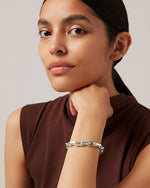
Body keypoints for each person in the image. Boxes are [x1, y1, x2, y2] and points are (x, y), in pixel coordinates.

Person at [5, 0, 150, 187]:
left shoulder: (145, 135)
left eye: (77, 30)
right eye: (46, 33)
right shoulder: (22, 124)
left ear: (118, 46)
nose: (54, 47)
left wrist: (91, 117)